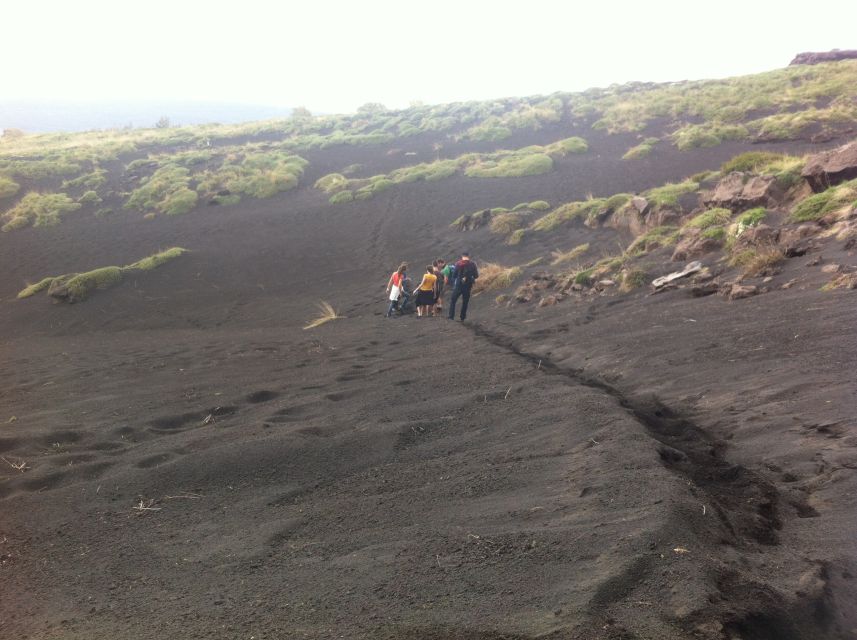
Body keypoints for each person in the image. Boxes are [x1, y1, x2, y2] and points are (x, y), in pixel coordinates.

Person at [447, 251, 479, 321]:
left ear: (462, 256)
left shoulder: (458, 264)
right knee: (465, 302)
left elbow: (454, 275)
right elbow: (476, 276)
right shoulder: (473, 264)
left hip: (459, 285)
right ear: (468, 256)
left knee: (453, 300)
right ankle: (462, 317)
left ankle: (451, 316)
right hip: (468, 286)